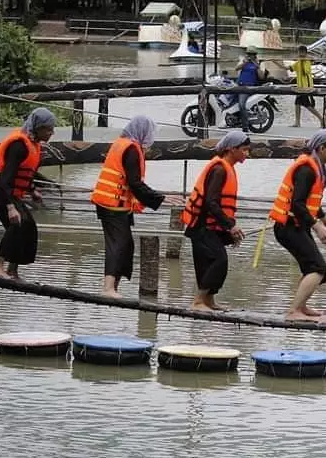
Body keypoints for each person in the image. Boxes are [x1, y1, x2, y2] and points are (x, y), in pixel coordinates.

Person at [91, 115, 181, 298]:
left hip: (114, 204)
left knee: (126, 244)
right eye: (149, 133)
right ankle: (108, 288)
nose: (151, 137)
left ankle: (113, 287)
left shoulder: (122, 143)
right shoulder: (131, 149)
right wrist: (161, 198)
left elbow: (133, 184)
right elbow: (135, 184)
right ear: (142, 132)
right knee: (118, 244)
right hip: (112, 205)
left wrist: (158, 197)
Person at [269, 129, 326, 321]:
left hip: (297, 226)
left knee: (316, 269)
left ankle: (301, 307)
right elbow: (297, 204)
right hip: (288, 227)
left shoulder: (315, 168)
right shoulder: (306, 169)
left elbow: (311, 202)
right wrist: (317, 227)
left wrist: (325, 220)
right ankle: (294, 312)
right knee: (317, 268)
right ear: (322, 148)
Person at [0, 108, 55, 279]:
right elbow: (5, 179)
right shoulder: (18, 145)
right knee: (16, 223)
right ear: (38, 127)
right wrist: (11, 207)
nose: (52, 133)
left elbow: (25, 172)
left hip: (8, 190)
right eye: (48, 129)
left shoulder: (33, 144)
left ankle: (13, 270)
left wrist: (32, 189)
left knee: (29, 226)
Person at [181, 130, 249, 311]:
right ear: (231, 149)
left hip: (212, 227)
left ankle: (209, 301)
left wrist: (227, 231)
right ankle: (198, 301)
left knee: (209, 261)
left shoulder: (227, 168)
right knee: (219, 260)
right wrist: (230, 226)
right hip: (202, 225)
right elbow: (211, 202)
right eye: (244, 150)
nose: (246, 154)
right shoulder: (219, 169)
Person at [292, 45, 324, 129]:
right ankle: (297, 122)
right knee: (297, 103)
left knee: (308, 105)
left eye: (302, 52)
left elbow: (306, 71)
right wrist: (275, 62)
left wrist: (304, 60)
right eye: (299, 52)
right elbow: (288, 68)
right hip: (300, 87)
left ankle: (321, 119)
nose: (300, 54)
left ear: (305, 53)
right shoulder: (298, 62)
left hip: (306, 87)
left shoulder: (307, 62)